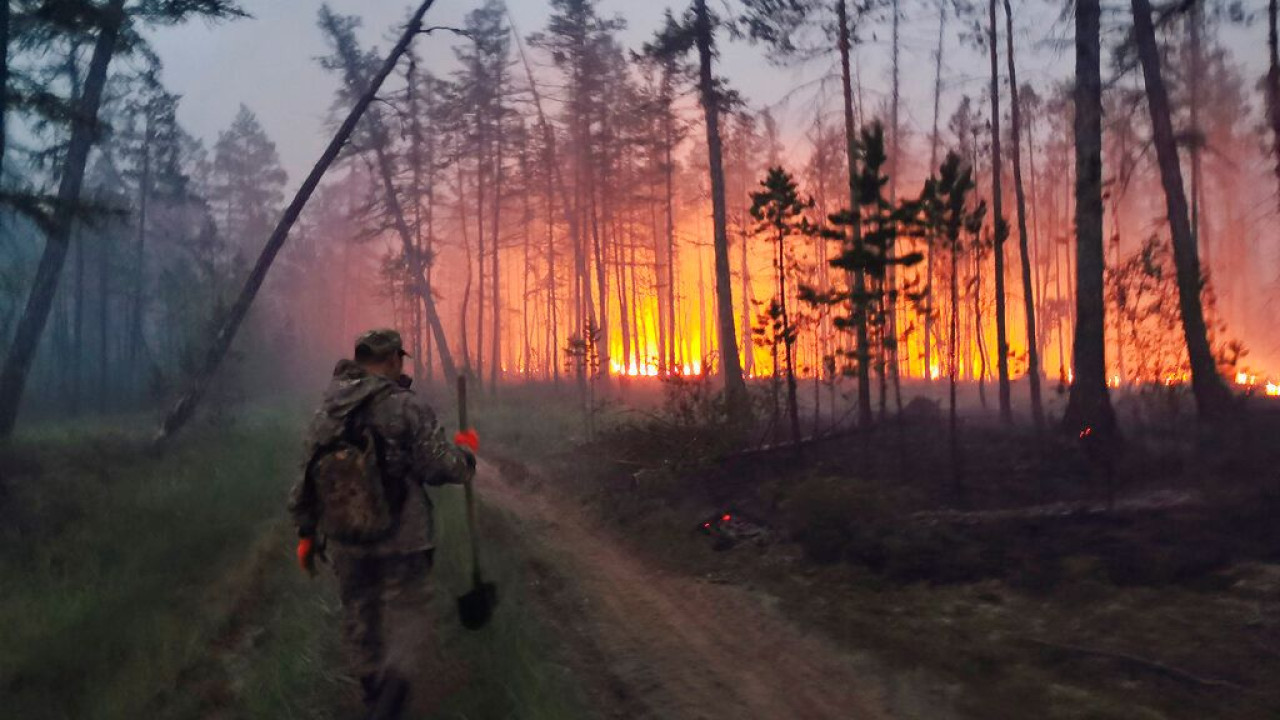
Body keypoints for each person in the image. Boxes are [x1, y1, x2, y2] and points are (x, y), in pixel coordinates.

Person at [288, 328, 478, 719]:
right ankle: (387, 710)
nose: (401, 365)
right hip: (404, 539)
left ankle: (375, 698)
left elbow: (306, 477)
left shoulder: (327, 410)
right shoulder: (404, 407)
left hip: (346, 540)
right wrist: (466, 457)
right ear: (392, 359)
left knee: (361, 620)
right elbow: (438, 466)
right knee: (408, 621)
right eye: (400, 359)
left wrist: (307, 533)